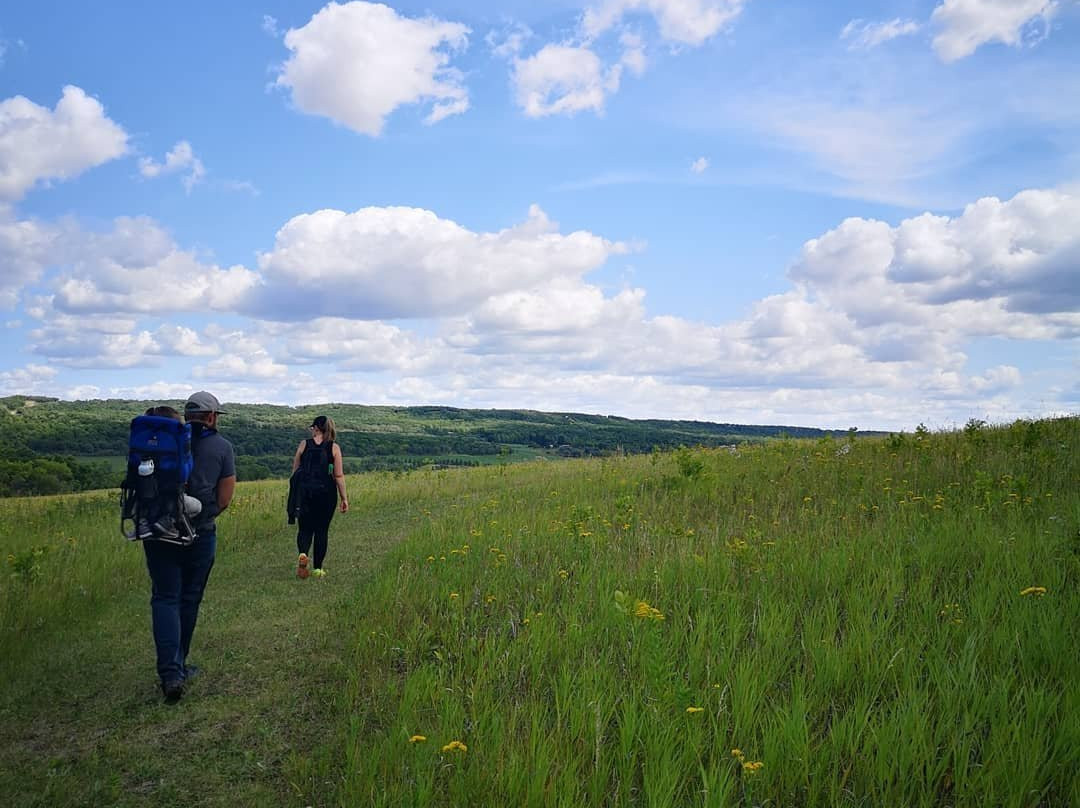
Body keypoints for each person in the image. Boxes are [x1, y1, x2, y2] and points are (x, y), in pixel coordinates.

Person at [143, 391, 235, 703]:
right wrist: (202, 519)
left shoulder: (157, 442)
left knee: (165, 597)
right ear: (211, 417)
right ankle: (179, 665)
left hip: (157, 530)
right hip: (200, 533)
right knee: (189, 599)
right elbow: (224, 499)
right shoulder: (222, 447)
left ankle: (170, 672)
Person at [290, 415, 348, 578]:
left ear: (315, 428)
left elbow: (295, 472)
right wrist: (344, 498)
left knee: (305, 528)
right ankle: (317, 569)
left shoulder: (303, 445)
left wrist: (295, 495)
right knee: (322, 530)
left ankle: (303, 553)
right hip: (326, 493)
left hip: (305, 492)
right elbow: (338, 476)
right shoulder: (334, 448)